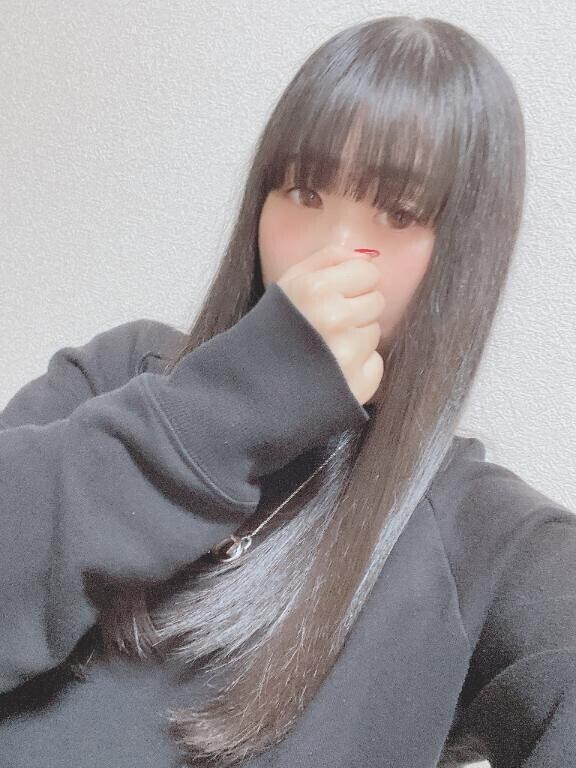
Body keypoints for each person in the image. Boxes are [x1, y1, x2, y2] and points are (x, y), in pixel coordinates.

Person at [1, 14, 574, 768]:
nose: (332, 250)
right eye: (304, 191)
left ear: (464, 255)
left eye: (398, 213)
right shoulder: (125, 372)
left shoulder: (482, 538)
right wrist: (227, 410)